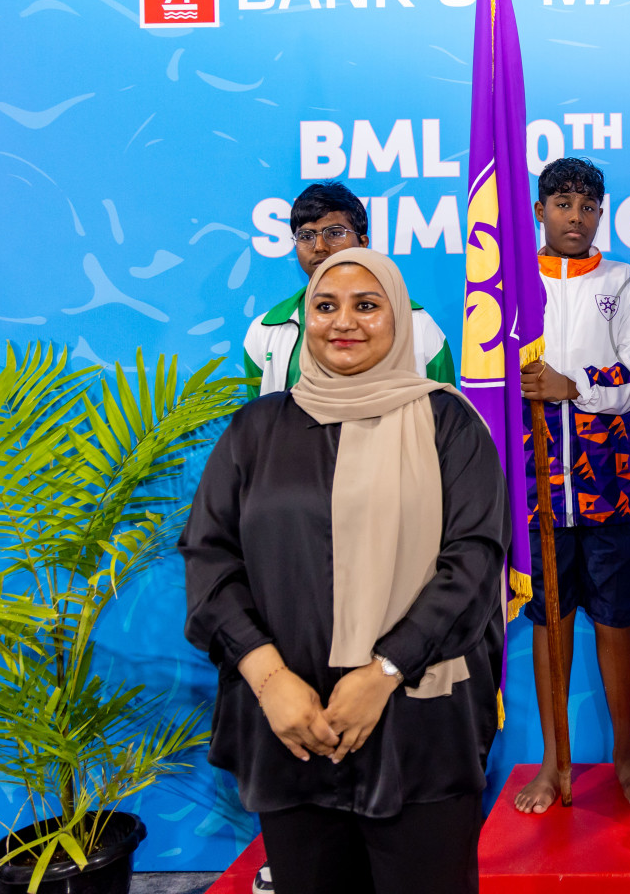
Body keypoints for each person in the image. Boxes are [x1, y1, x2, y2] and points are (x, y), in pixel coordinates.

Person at [182, 248, 506, 894]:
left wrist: (384, 671)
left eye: (367, 305)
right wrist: (270, 679)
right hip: (291, 727)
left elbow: (473, 562)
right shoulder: (255, 430)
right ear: (306, 320)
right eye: (325, 307)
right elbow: (209, 557)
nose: (343, 322)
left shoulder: (450, 425)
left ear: (399, 319)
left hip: (417, 725)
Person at [510, 157, 630, 813]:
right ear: (539, 210)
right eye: (562, 203)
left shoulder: (624, 282)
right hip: (535, 488)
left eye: (588, 205)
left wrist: (576, 387)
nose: (576, 216)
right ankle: (554, 762)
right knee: (550, 619)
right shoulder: (507, 287)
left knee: (615, 618)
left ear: (602, 213)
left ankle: (626, 757)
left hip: (612, 484)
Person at [244, 181, 455, 395]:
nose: (319, 247)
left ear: (363, 243)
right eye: (306, 236)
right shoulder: (266, 330)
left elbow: (447, 417)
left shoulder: (416, 323)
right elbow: (257, 422)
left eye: (334, 233)